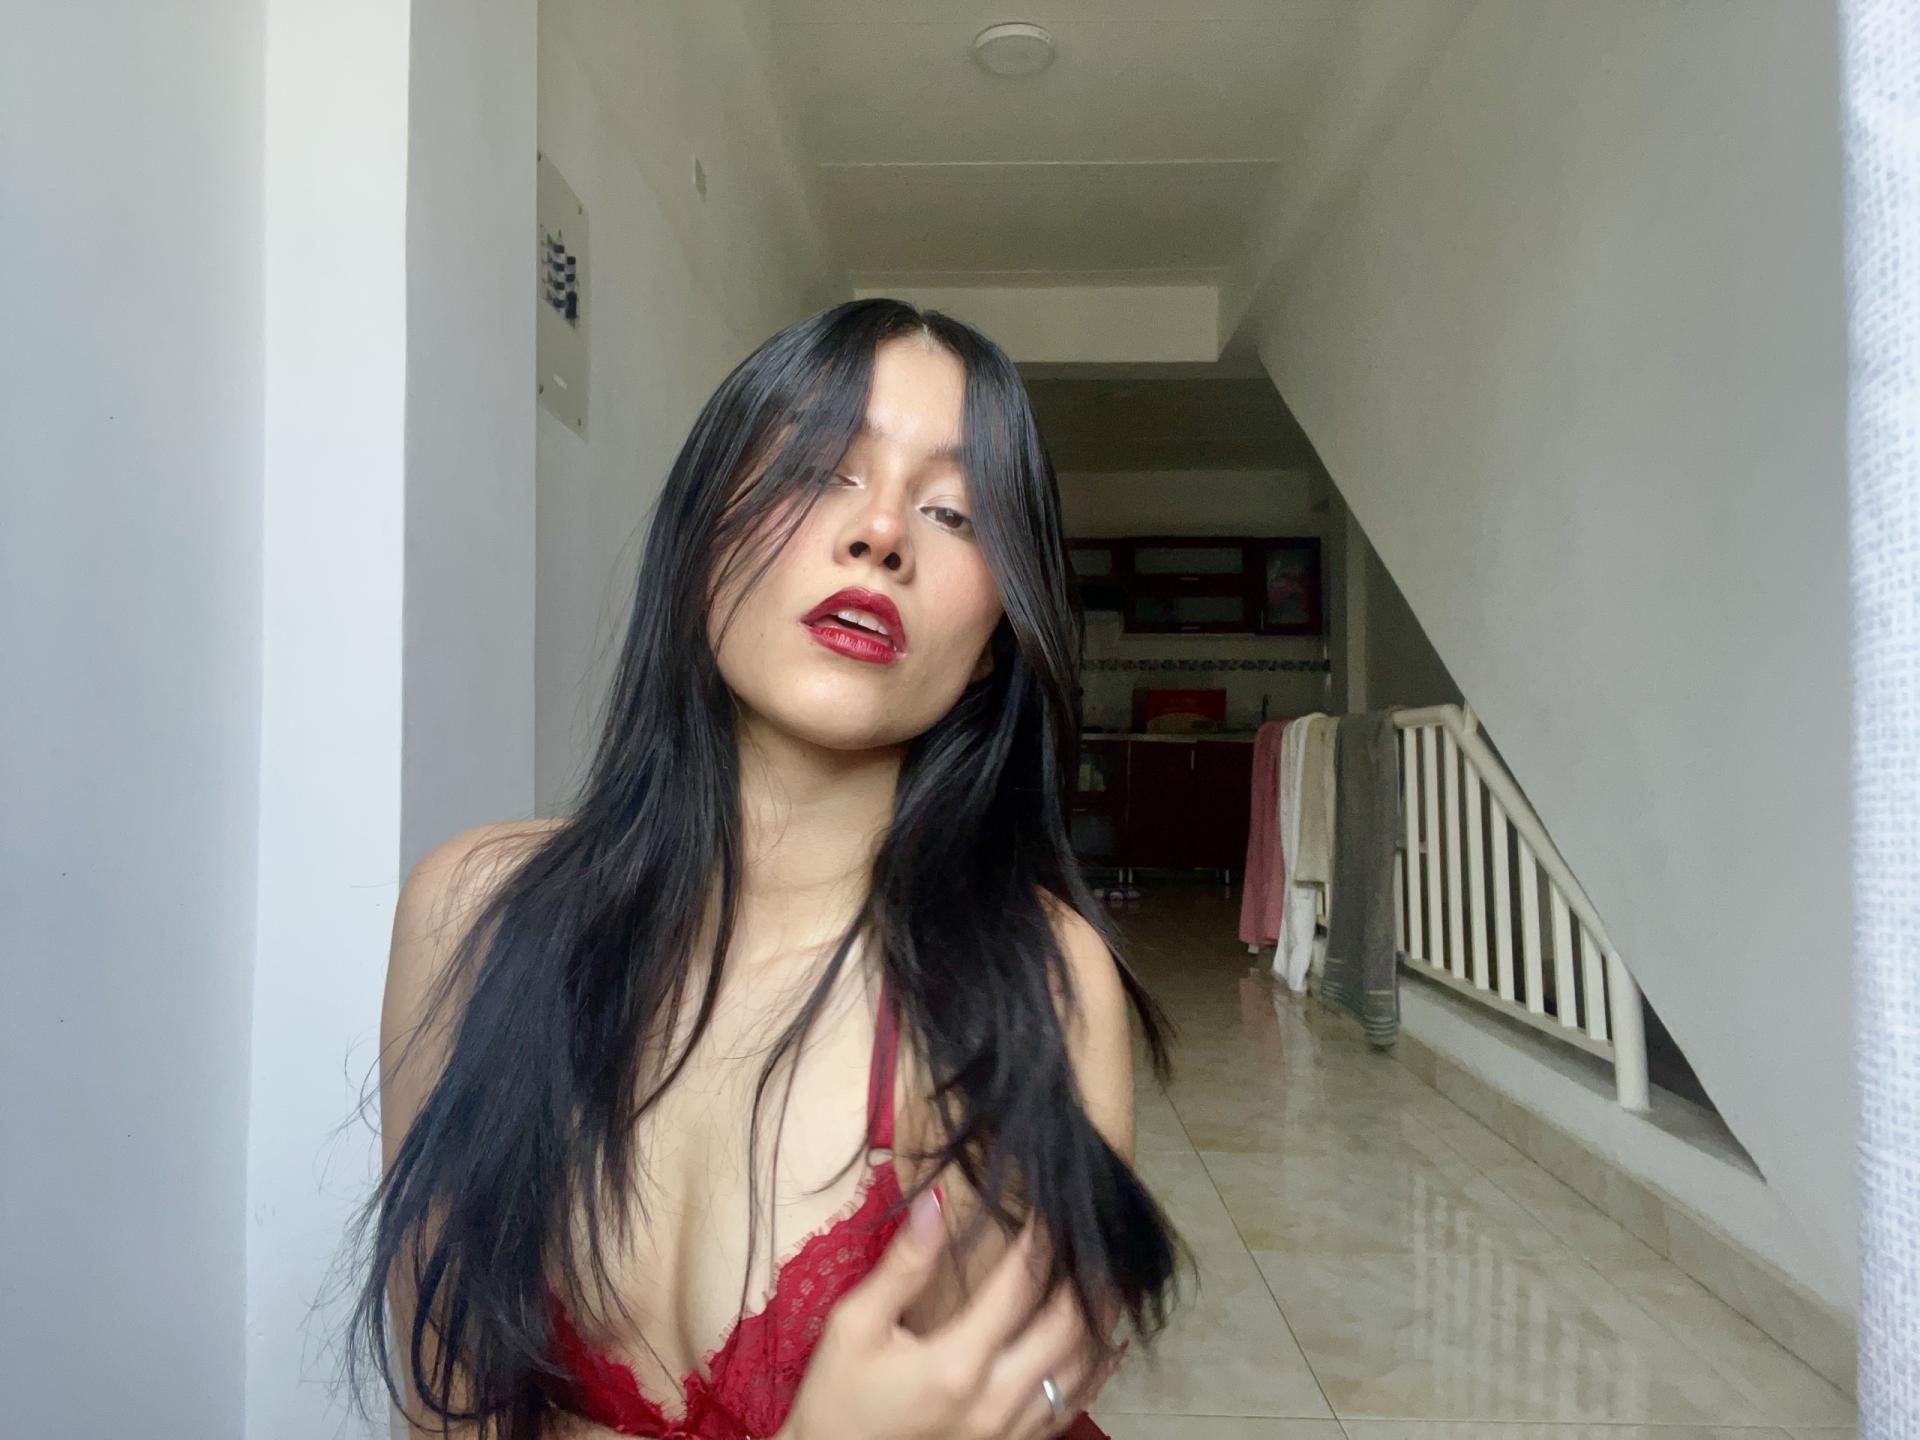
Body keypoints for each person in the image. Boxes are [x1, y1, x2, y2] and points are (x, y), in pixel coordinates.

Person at [344, 297, 1185, 1440]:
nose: (881, 532)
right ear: (702, 536)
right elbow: (446, 1420)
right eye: (822, 468)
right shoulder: (469, 913)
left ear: (997, 636)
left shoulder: (1026, 982)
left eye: (953, 511)